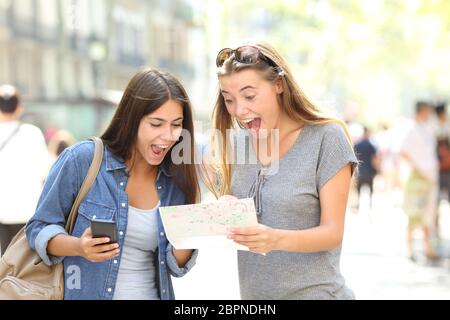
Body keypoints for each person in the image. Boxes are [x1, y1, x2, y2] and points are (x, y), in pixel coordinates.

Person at [25, 68, 199, 300]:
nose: (168, 136)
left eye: (176, 124)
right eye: (156, 124)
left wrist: (195, 232)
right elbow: (39, 227)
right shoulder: (82, 160)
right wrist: (78, 246)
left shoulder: (174, 181)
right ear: (132, 120)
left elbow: (175, 266)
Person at [207, 41, 358, 299]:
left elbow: (332, 232)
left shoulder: (326, 138)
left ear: (279, 85)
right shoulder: (239, 145)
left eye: (249, 96)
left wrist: (275, 239)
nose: (239, 111)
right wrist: (226, 207)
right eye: (229, 99)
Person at [0, 84, 49, 255]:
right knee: (24, 265)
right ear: (19, 108)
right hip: (28, 210)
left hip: (2, 210)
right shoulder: (32, 133)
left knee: (4, 261)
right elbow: (45, 171)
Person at [400, 101, 439, 261]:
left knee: (427, 214)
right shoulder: (410, 129)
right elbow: (403, 151)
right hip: (417, 176)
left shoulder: (428, 129)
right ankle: (410, 249)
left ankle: (427, 248)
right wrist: (417, 168)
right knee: (413, 213)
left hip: (430, 176)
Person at [354, 126, 380, 210]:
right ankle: (370, 205)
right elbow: (374, 159)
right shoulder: (371, 145)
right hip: (369, 171)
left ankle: (358, 204)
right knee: (370, 190)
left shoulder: (357, 144)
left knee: (358, 190)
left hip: (360, 171)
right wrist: (378, 169)